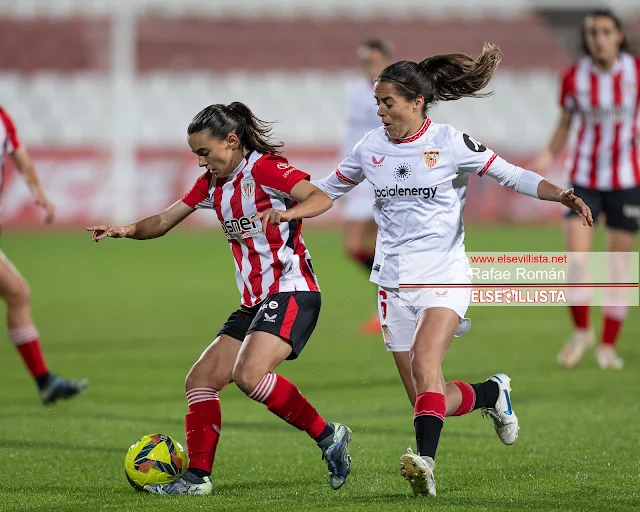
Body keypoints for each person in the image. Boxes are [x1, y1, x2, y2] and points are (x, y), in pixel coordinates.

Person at [309, 44, 593, 497]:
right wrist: (283, 206)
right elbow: (326, 190)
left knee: (425, 362)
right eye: (377, 102)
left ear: (416, 101)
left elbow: (510, 174)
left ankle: (425, 464)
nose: (379, 111)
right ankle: (492, 393)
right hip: (392, 280)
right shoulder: (371, 147)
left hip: (445, 272)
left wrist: (561, 194)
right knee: (429, 396)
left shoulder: (449, 142)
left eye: (387, 102)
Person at [87, 102, 352, 496]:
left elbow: (320, 198)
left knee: (249, 375)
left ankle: (328, 435)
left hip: (292, 289)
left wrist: (287, 214)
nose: (200, 162)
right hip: (255, 301)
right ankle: (197, 478)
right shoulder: (212, 183)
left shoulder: (264, 169)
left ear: (231, 140)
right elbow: (163, 220)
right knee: (201, 381)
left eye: (204, 152)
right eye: (196, 154)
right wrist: (125, 229)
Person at [532, 9, 639, 370]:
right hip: (584, 180)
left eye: (606, 31)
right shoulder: (574, 76)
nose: (599, 39)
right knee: (577, 261)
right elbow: (565, 122)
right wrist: (549, 153)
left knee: (618, 267)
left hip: (627, 181)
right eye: (593, 32)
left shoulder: (636, 72)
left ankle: (608, 345)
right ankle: (581, 331)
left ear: (619, 35)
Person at [0, 106, 87, 404]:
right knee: (17, 293)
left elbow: (21, 159)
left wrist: (39, 192)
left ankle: (44, 381)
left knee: (17, 294)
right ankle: (44, 381)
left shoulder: (3, 119)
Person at [342, 39, 394, 334]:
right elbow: (350, 136)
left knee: (378, 245)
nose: (368, 67)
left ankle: (387, 306)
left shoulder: (396, 90)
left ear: (386, 60)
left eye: (373, 60)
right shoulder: (354, 92)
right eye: (364, 61)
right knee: (353, 247)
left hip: (382, 174)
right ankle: (393, 296)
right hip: (358, 174)